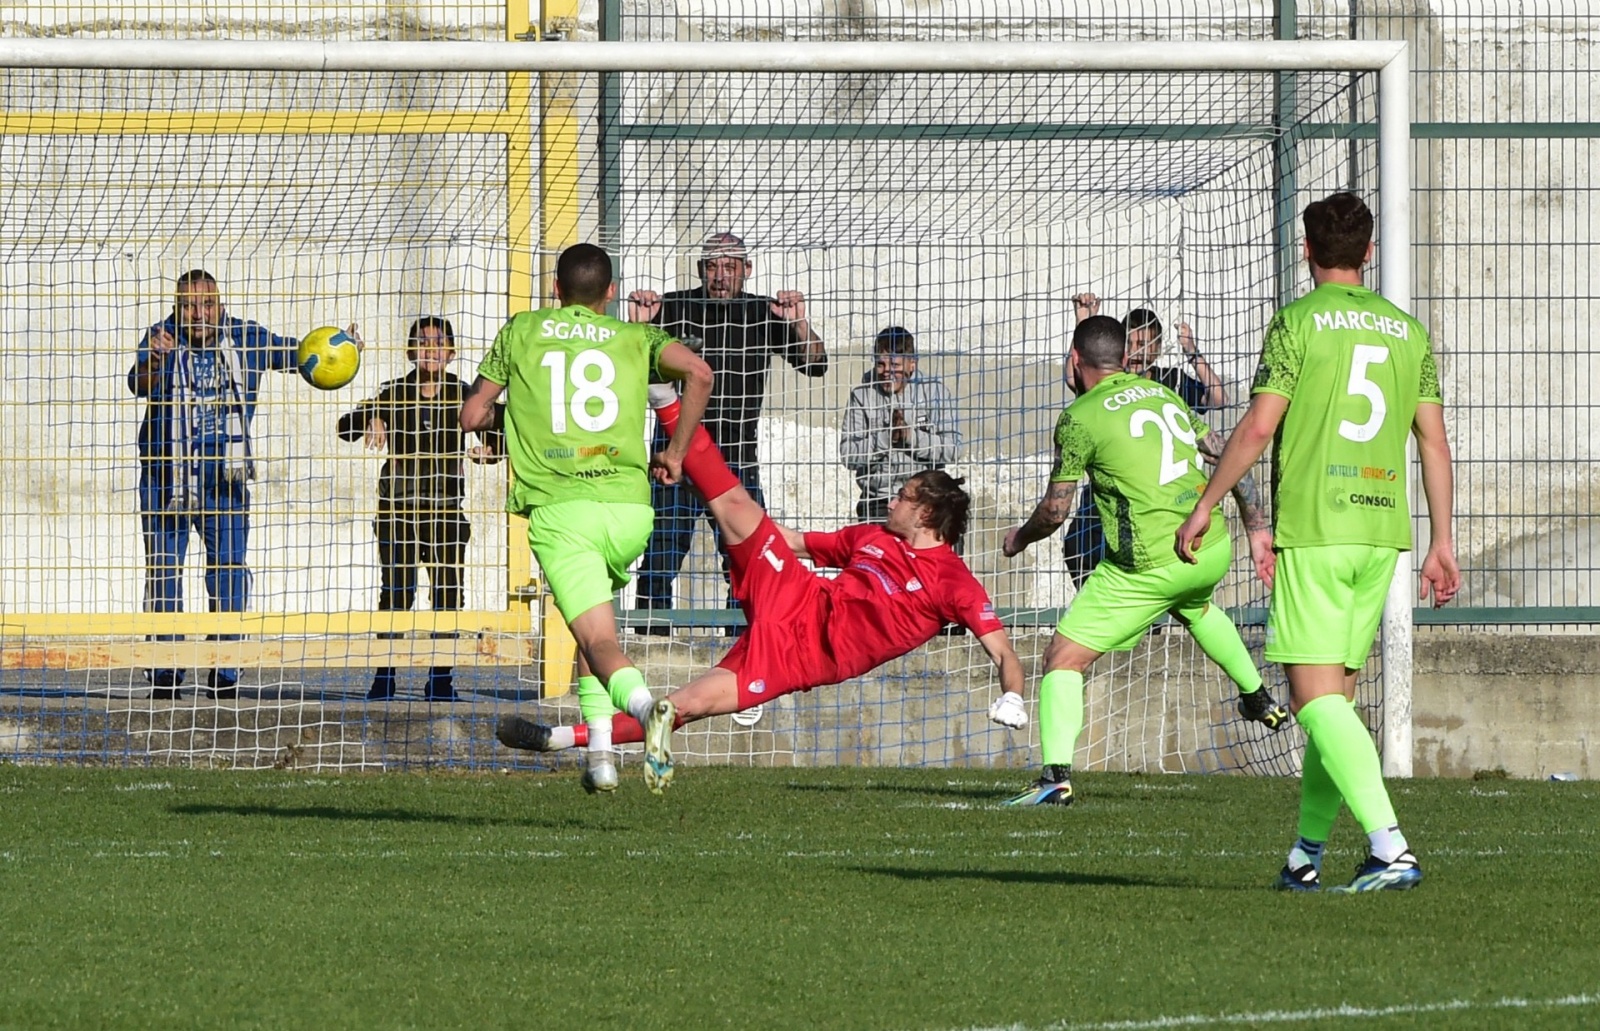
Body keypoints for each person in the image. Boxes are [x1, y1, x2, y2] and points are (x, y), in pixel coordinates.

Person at [495, 396, 1029, 795]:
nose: (894, 498)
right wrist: (750, 535)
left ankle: (561, 739)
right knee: (733, 502)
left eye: (907, 496)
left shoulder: (954, 581)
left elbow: (1004, 651)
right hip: (794, 593)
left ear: (928, 514)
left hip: (797, 657)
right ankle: (665, 399)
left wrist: (1013, 695)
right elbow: (791, 540)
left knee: (683, 707)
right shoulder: (871, 536)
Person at [1175, 192, 1460, 893]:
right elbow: (1432, 439)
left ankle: (1391, 845)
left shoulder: (1296, 323)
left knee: (1311, 701)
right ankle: (1305, 854)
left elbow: (1259, 425)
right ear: (1369, 252)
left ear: (1306, 251)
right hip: (1382, 534)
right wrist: (1443, 540)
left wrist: (1208, 504)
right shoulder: (1407, 331)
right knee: (1334, 701)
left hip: (1319, 528)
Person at [1001, 314, 1288, 806]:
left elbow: (1055, 509)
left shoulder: (1080, 417)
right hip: (1209, 546)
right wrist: (1256, 524)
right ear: (1122, 358)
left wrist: (1019, 540)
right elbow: (1223, 451)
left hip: (1151, 564)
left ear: (1075, 360)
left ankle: (1053, 778)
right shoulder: (1162, 393)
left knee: (1062, 660)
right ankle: (1258, 695)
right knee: (1194, 607)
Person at [460, 243, 713, 793]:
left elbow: (472, 415)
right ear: (611, 292)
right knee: (594, 632)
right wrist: (675, 452)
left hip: (562, 512)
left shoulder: (522, 330)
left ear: (556, 290)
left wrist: (517, 422)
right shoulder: (634, 337)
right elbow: (699, 372)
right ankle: (600, 757)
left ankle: (648, 710)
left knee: (600, 642)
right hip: (627, 510)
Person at [128, 269, 360, 700]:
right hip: (167, 478)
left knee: (229, 574)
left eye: (208, 304)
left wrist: (341, 348)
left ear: (221, 304)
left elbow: (300, 356)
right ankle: (165, 673)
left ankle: (224, 670)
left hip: (225, 480)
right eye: (189, 306)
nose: (199, 314)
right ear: (178, 308)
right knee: (163, 572)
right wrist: (155, 362)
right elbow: (136, 384)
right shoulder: (160, 337)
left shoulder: (246, 338)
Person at [627, 232, 828, 627]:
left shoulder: (763, 312)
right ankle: (650, 637)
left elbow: (815, 365)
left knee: (746, 554)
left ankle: (745, 637)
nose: (720, 275)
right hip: (676, 454)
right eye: (712, 266)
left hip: (736, 457)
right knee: (661, 551)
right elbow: (631, 369)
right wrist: (640, 328)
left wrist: (800, 323)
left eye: (730, 266)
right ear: (701, 269)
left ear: (747, 270)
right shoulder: (674, 307)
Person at [337, 316, 502, 702]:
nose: (430, 349)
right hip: (398, 510)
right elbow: (345, 428)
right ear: (410, 352)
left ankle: (441, 679)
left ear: (451, 352)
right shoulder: (393, 393)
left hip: (445, 510)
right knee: (396, 593)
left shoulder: (464, 395)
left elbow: (502, 437)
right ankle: (385, 676)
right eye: (422, 343)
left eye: (439, 343)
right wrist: (372, 416)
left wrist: (490, 452)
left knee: (448, 594)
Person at [1062, 294, 1226, 589]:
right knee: (1078, 547)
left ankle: (1149, 625)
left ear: (1159, 348)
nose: (1138, 353)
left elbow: (1217, 398)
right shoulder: (1108, 382)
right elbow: (1075, 379)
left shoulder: (1171, 382)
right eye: (1132, 344)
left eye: (1146, 345)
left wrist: (1192, 351)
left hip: (1158, 503)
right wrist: (1084, 319)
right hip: (1107, 497)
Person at [839, 326, 960, 522]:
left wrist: (910, 437)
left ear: (911, 364)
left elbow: (953, 450)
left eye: (894, 365)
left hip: (926, 499)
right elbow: (848, 455)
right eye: (880, 364)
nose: (887, 371)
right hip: (878, 500)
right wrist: (886, 438)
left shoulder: (935, 393)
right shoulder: (861, 396)